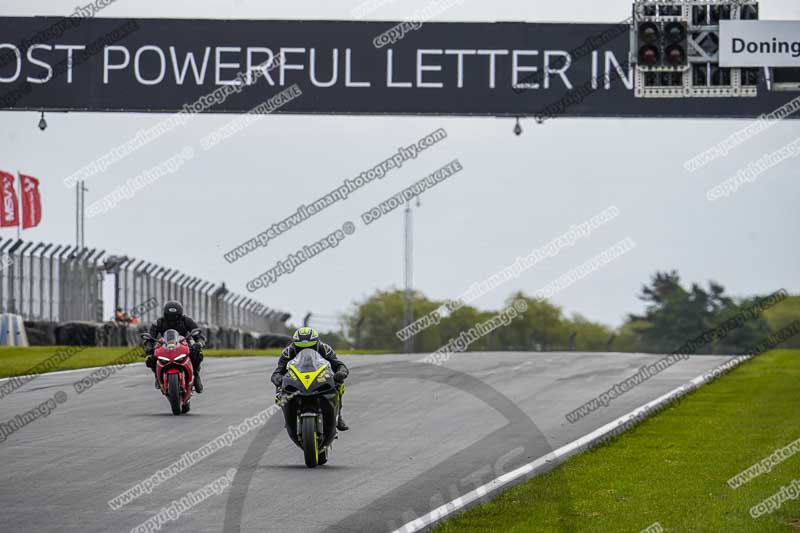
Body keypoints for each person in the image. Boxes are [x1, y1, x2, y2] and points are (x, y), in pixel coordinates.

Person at [270, 327, 350, 431]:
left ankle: (338, 416)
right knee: (281, 389)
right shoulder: (288, 351)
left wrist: (341, 372)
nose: (304, 350)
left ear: (316, 343)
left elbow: (338, 364)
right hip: (298, 374)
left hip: (319, 373)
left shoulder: (325, 348)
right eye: (300, 347)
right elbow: (279, 370)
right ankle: (288, 415)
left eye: (310, 347)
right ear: (294, 344)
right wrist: (278, 379)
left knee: (339, 383)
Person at [144, 301, 205, 393]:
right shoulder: (158, 322)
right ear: (165, 314)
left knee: (197, 354)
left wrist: (199, 344)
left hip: (184, 343)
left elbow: (199, 335)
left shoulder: (187, 320)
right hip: (164, 344)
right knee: (150, 358)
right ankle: (157, 376)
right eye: (169, 317)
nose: (172, 319)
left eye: (175, 316)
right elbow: (150, 337)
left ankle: (196, 375)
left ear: (180, 315)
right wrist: (148, 346)